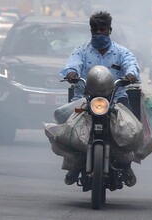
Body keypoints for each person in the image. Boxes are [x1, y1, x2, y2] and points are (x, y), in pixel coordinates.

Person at [60, 10, 141, 186]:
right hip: (85, 98)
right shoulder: (81, 50)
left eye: (102, 29)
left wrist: (131, 75)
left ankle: (126, 165)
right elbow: (72, 64)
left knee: (128, 130)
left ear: (109, 30)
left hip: (116, 98)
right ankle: (73, 165)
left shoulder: (122, 52)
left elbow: (131, 65)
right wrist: (72, 72)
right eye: (94, 29)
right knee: (68, 131)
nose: (98, 33)